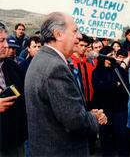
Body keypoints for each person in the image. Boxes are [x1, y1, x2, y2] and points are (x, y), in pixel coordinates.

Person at [24, 12, 107, 157]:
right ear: (58, 34)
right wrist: (96, 118)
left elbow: (62, 110)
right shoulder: (55, 68)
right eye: (75, 31)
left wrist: (86, 114)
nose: (80, 36)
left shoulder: (41, 58)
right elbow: (75, 121)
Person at [92, 46, 129, 156]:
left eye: (114, 55)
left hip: (120, 108)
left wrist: (112, 87)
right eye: (110, 55)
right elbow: (99, 89)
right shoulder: (97, 72)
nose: (113, 57)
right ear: (103, 57)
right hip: (104, 109)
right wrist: (115, 85)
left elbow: (125, 88)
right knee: (105, 136)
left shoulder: (120, 70)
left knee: (121, 135)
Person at [0, 21, 28, 156]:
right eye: (1, 41)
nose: (6, 45)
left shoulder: (14, 67)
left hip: (15, 139)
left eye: (5, 40)